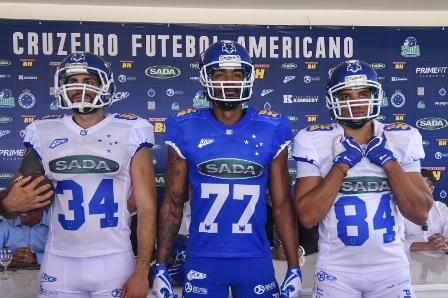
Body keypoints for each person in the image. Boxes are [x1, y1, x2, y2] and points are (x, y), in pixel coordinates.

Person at [0, 51, 157, 298]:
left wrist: (141, 270)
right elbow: (9, 203)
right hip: (59, 263)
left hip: (114, 261)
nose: (79, 88)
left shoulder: (131, 130)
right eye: (72, 81)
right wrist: (8, 205)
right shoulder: (43, 132)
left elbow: (147, 208)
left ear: (105, 86)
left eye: (88, 82)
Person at [152, 40, 301, 298]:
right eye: (220, 74)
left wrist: (294, 267)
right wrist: (161, 265)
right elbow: (173, 202)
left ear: (248, 78)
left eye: (236, 74)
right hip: (202, 257)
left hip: (255, 256)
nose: (228, 81)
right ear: (206, 78)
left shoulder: (273, 126)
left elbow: (281, 205)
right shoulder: (184, 125)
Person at [293, 60, 433, 298]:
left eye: (363, 94)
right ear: (333, 100)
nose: (356, 102)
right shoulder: (313, 139)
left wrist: (390, 163)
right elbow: (307, 217)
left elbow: (419, 214)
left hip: (392, 271)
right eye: (346, 96)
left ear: (375, 95)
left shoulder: (402, 137)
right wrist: (341, 165)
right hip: (337, 272)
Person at [399, 169, 448, 252]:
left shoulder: (442, 208)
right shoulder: (398, 209)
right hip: (409, 260)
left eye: (419, 187)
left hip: (438, 261)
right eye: (411, 186)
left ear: (431, 189)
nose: (413, 191)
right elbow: (395, 243)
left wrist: (444, 244)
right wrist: (426, 246)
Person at [265, 188, 318, 260]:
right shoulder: (259, 211)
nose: (267, 192)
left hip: (299, 263)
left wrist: (296, 251)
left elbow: (312, 242)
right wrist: (272, 252)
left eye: (271, 187)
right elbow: (255, 242)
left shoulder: (299, 209)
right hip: (269, 262)